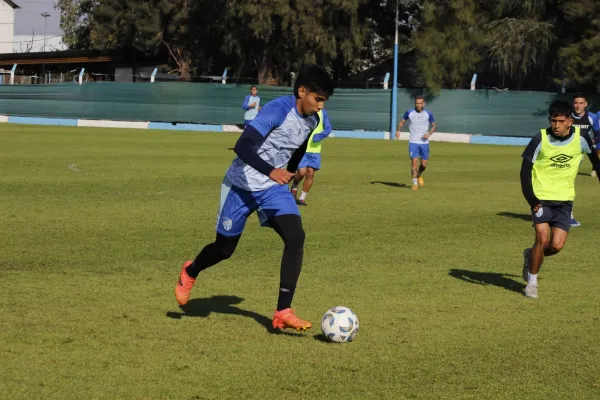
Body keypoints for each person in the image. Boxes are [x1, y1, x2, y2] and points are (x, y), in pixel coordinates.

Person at [175, 64, 334, 331]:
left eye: (323, 102)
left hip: (272, 189)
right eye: (317, 100)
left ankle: (283, 310)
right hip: (241, 185)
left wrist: (289, 173)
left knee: (296, 237)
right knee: (224, 250)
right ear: (302, 91)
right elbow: (242, 146)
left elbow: (298, 148)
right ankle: (190, 271)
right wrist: (272, 171)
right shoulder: (277, 110)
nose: (320, 107)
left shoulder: (313, 119)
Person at [520, 100, 600, 299]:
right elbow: (524, 171)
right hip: (541, 198)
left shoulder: (581, 138)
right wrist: (532, 199)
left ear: (570, 122)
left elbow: (596, 163)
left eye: (560, 121)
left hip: (565, 200)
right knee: (542, 238)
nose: (556, 125)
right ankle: (532, 283)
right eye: (553, 120)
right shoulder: (541, 138)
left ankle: (531, 256)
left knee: (556, 245)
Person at [569, 93, 600, 226]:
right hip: (566, 152)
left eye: (581, 103)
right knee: (566, 181)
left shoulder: (592, 117)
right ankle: (566, 214)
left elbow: (599, 133)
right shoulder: (567, 115)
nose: (578, 105)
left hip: (580, 153)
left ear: (585, 104)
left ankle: (566, 214)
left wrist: (592, 141)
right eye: (576, 103)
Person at [290, 109, 332, 205]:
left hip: (315, 150)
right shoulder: (304, 111)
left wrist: (319, 136)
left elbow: (328, 128)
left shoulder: (323, 113)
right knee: (301, 172)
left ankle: (302, 198)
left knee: (310, 173)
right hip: (302, 148)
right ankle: (295, 185)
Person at [395, 96, 436, 191]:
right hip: (413, 142)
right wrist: (398, 130)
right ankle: (414, 184)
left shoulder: (428, 114)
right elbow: (401, 123)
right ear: (415, 104)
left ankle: (419, 175)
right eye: (417, 103)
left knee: (424, 165)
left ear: (423, 104)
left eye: (420, 103)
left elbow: (434, 126)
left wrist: (429, 133)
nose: (419, 105)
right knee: (414, 163)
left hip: (424, 143)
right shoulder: (409, 113)